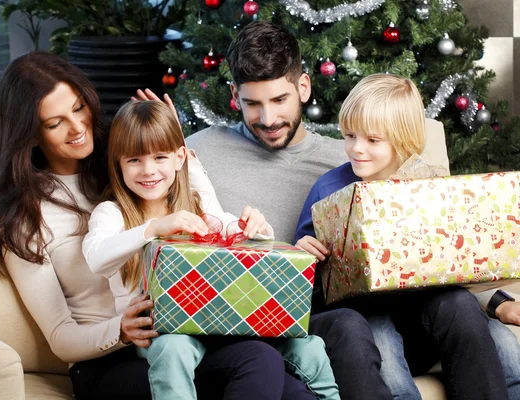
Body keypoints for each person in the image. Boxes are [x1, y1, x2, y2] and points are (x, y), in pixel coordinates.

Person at [0, 50, 328, 400]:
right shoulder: (23, 219)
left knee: (278, 373)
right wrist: (122, 330)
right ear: (29, 134)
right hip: (110, 359)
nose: (78, 127)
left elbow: (202, 211)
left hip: (175, 332)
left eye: (79, 108)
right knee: (250, 365)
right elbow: (61, 336)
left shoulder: (122, 168)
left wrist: (176, 148)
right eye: (55, 122)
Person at [184, 20, 393, 400]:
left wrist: (491, 300)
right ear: (234, 95)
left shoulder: (345, 160)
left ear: (304, 87)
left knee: (347, 324)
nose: (268, 119)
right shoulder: (200, 151)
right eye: (252, 103)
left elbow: (417, 233)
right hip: (229, 324)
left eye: (279, 100)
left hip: (312, 317)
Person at [81, 100, 340, 400]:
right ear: (118, 163)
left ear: (179, 159)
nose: (148, 170)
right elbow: (97, 258)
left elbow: (231, 229)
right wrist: (152, 229)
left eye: (160, 157)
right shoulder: (111, 213)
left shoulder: (196, 204)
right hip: (164, 332)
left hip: (216, 322)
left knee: (306, 344)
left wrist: (257, 227)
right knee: (173, 350)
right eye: (134, 160)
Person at [294, 73, 517, 399]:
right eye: (350, 135)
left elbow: (460, 265)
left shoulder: (427, 186)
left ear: (403, 140)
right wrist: (305, 254)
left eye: (373, 140)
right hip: (366, 320)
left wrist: (497, 302)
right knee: (378, 326)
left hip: (424, 323)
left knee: (458, 304)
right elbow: (304, 286)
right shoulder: (328, 190)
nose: (357, 149)